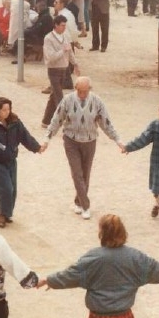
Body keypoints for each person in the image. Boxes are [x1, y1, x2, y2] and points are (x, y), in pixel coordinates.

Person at [42, 76, 125, 220]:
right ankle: (86, 205)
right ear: (75, 88)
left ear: (90, 90)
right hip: (71, 141)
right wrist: (47, 139)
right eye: (80, 91)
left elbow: (106, 123)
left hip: (90, 141)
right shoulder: (67, 100)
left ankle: (78, 201)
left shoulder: (97, 101)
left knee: (85, 174)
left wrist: (117, 140)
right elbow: (57, 119)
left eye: (85, 91)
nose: (82, 94)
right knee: (77, 173)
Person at [0, 97, 43, 228]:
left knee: (13, 190)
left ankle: (6, 213)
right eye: (4, 110)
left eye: (8, 109)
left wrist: (37, 147)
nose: (7, 112)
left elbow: (25, 136)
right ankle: (1, 214)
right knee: (6, 189)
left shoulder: (15, 123)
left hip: (11, 162)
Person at [41, 14, 79, 127]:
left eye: (65, 25)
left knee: (54, 96)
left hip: (64, 70)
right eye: (62, 25)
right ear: (56, 25)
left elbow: (70, 52)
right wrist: (63, 50)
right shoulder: (48, 38)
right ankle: (67, 122)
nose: (64, 28)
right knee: (59, 97)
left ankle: (46, 121)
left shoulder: (65, 37)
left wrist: (75, 64)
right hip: (53, 71)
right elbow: (50, 57)